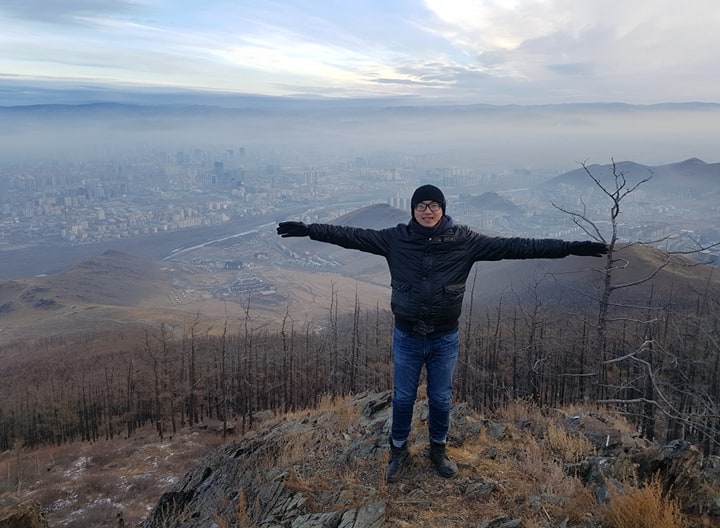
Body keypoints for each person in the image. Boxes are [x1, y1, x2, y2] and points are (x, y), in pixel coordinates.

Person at [276, 184, 607, 482]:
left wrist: (569, 247)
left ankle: (438, 451)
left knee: (440, 398)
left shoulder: (465, 241)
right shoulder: (395, 239)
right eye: (421, 205)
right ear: (412, 210)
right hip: (407, 336)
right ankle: (398, 452)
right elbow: (351, 235)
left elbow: (518, 246)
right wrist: (310, 230)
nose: (428, 210)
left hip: (444, 338)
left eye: (434, 205)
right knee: (403, 398)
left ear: (443, 209)